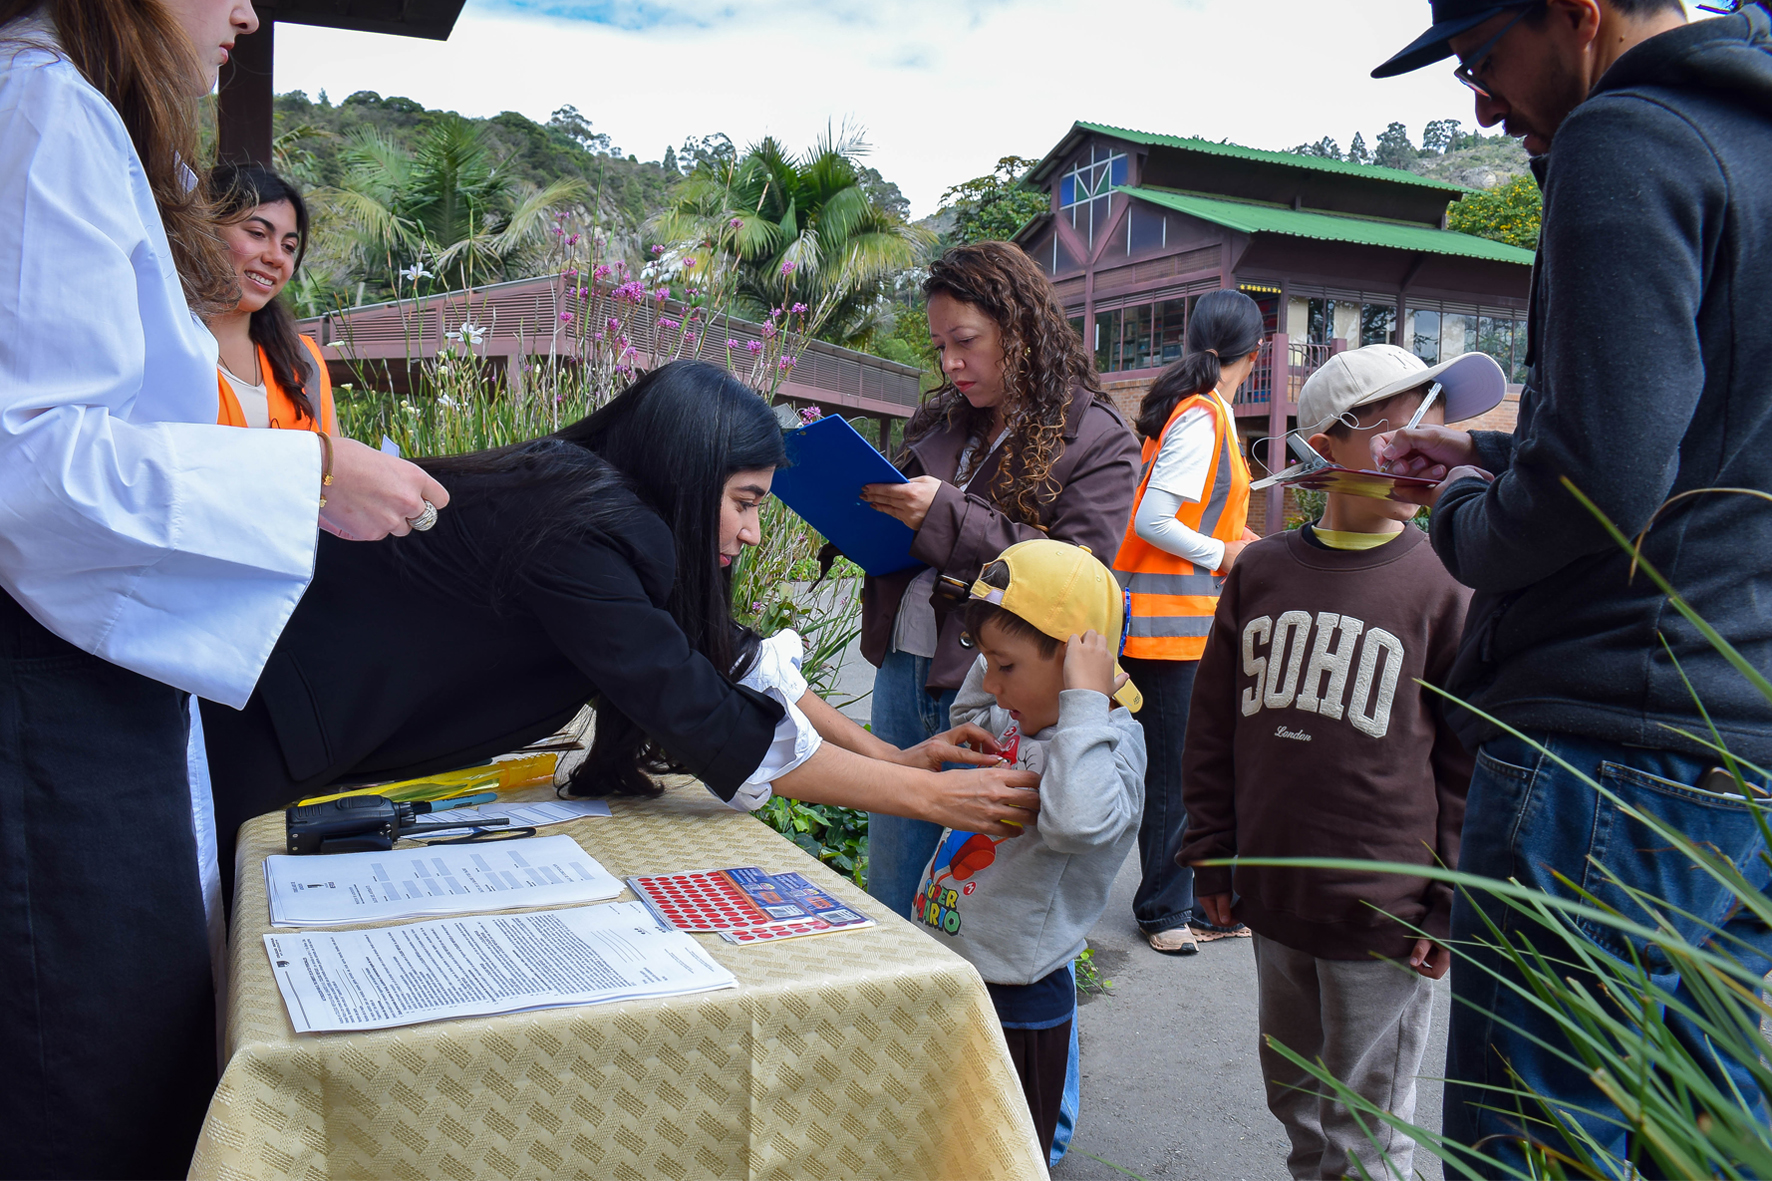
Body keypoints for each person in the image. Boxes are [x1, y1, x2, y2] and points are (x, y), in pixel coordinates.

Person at [0, 1, 444, 1176]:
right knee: (90, 1082)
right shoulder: (40, 111)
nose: (247, 8)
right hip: (49, 696)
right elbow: (27, 458)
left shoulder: (79, 118)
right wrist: (306, 471)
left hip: (101, 681)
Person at [1371, 1, 1772, 1165]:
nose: (1480, 102)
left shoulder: (1623, 135)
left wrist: (1455, 516)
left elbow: (1598, 480)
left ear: (1578, 14)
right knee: (1689, 1138)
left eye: (1481, 57)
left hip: (1602, 747)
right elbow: (1713, 441)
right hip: (1731, 754)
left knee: (1532, 1144)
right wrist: (1495, 450)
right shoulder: (1745, 137)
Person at [201, 360, 1043, 904]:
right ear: (685, 473)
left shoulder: (607, 511)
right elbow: (701, 714)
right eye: (745, 502)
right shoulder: (580, 529)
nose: (752, 533)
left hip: (302, 722)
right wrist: (930, 798)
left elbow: (731, 655)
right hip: (260, 722)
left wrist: (892, 759)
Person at [1180, 344, 1505, 1179]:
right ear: (1326, 446)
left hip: (1385, 919)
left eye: (1440, 423)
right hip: (1275, 895)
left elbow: (1469, 756)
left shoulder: (1447, 584)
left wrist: (1447, 899)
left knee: (1365, 1135)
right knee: (1296, 1107)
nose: (1432, 446)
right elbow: (1212, 723)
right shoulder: (1261, 570)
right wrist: (1211, 847)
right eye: (1404, 430)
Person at [857, 240, 1141, 921]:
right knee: (896, 883)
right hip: (906, 663)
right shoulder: (942, 417)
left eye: (966, 341)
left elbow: (1079, 575)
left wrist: (947, 514)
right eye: (940, 346)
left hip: (1002, 687)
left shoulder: (1096, 435)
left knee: (984, 900)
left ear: (1019, 330)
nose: (952, 363)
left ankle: (1001, 1029)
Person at [911, 539, 1145, 1159]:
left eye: (1006, 666)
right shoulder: (1013, 719)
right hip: (956, 966)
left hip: (1019, 997)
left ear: (1074, 664)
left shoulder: (1107, 743)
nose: (992, 681)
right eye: (985, 660)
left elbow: (1075, 822)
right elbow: (968, 708)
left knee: (1006, 1152)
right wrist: (993, 638)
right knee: (943, 1140)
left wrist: (1087, 702)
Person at [1111, 288, 1263, 956]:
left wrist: (1236, 541)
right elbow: (1152, 521)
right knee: (1175, 772)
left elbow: (1192, 516)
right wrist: (1224, 552)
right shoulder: (1202, 417)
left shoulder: (1201, 412)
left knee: (1187, 767)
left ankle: (1196, 903)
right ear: (1254, 355)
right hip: (1166, 626)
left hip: (1179, 620)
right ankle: (1165, 910)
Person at [207, 162, 336, 434]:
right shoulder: (160, 346)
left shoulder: (302, 359)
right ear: (203, 230)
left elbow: (334, 466)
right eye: (257, 233)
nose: (276, 257)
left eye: (289, 247)